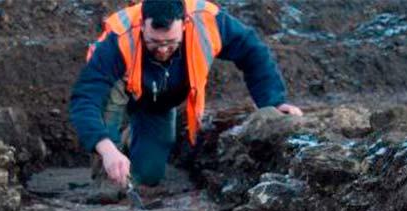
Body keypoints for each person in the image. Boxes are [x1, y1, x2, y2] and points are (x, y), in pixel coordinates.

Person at [69, 0, 303, 190]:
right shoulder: (119, 38)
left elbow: (253, 53)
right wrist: (108, 150)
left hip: (159, 98)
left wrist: (274, 102)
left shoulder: (208, 22)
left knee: (148, 176)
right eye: (153, 42)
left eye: (170, 43)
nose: (162, 50)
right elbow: (85, 99)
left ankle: (132, 138)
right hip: (118, 90)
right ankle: (110, 161)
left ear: (184, 24)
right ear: (142, 25)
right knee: (112, 184)